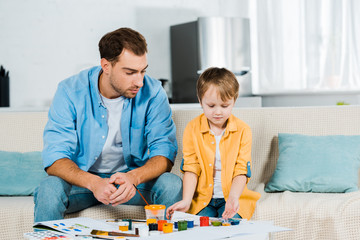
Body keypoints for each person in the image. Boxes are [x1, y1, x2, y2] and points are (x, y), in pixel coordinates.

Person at [34, 27, 182, 222]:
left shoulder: (153, 93)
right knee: (49, 188)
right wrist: (94, 183)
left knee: (172, 184)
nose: (139, 81)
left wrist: (133, 178)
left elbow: (164, 154)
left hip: (130, 181)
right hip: (83, 182)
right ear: (106, 66)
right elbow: (55, 158)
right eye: (130, 72)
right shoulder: (70, 91)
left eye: (143, 71)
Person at [166, 67, 261, 220]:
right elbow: (191, 168)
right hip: (203, 201)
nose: (218, 112)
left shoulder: (243, 130)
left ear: (234, 101)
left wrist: (233, 198)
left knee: (232, 226)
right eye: (211, 106)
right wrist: (186, 200)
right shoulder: (192, 128)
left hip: (232, 197)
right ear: (200, 101)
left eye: (224, 106)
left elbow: (241, 171)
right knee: (198, 228)